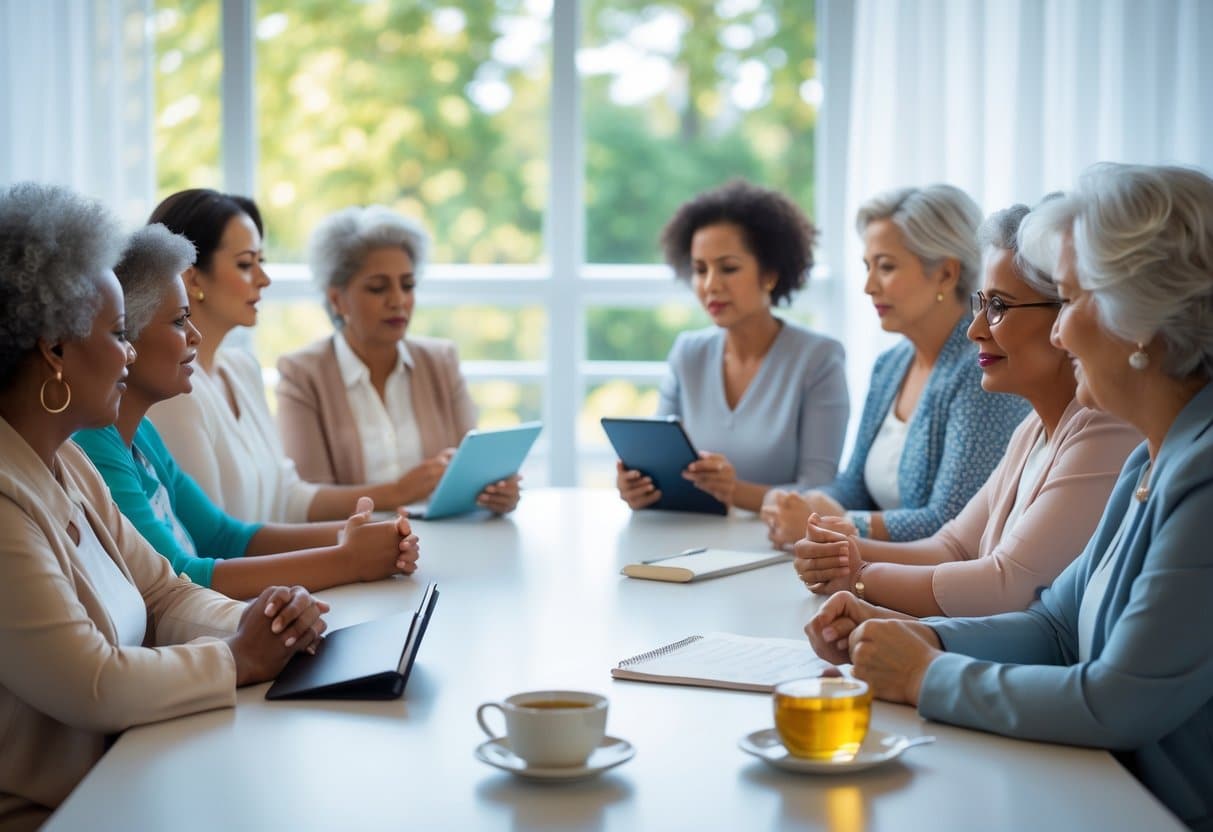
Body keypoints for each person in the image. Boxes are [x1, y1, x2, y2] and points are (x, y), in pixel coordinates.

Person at [806, 164, 1213, 830]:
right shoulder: (1152, 454)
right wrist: (920, 636)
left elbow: (1119, 702)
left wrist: (921, 675)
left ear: (1140, 319)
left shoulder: (1201, 471)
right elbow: (1055, 626)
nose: (1057, 332)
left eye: (1072, 299)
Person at [0, 183, 327, 829]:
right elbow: (93, 685)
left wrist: (262, 621)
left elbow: (165, 592)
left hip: (128, 775)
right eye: (119, 332)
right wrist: (240, 655)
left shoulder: (65, 462)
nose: (127, 351)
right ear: (55, 349)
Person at [789, 204, 1140, 616]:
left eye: (999, 307)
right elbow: (952, 546)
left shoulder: (1105, 427)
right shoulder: (1033, 428)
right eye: (982, 304)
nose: (975, 329)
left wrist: (861, 575)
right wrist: (845, 553)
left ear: (1066, 312)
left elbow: (1006, 585)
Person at [74, 225, 421, 599]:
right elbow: (180, 579)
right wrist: (349, 559)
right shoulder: (93, 445)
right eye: (178, 321)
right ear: (128, 334)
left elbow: (226, 536)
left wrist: (357, 534)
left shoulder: (141, 434)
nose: (195, 335)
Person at [145, 189, 436, 522]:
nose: (264, 279)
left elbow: (289, 497)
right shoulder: (174, 392)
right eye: (245, 264)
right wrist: (346, 551)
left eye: (261, 262)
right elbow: (214, 540)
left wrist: (396, 494)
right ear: (192, 276)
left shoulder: (242, 369)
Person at [762, 184, 1029, 542]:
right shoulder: (889, 365)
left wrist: (836, 524)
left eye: (886, 267)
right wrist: (808, 503)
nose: (869, 286)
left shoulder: (984, 367)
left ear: (946, 274)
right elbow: (853, 485)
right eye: (867, 267)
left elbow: (952, 522)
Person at [616, 179, 849, 513]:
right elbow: (660, 463)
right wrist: (638, 487)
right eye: (699, 269)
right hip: (686, 540)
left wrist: (734, 491)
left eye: (728, 268)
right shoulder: (688, 353)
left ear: (769, 274)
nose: (711, 285)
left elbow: (818, 489)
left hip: (778, 544)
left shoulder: (819, 359)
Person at [275, 205, 519, 514]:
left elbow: (472, 475)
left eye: (408, 285)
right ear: (337, 300)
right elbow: (309, 502)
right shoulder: (302, 374)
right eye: (378, 288)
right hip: (354, 553)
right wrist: (398, 492)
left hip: (447, 540)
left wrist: (498, 493)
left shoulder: (441, 362)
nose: (398, 300)